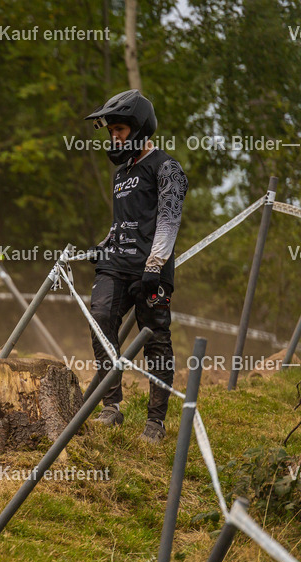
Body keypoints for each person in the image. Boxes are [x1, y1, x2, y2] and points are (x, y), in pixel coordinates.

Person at [84, 89, 188, 444]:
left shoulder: (166, 167)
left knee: (156, 341)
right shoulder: (119, 176)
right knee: (100, 321)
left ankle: (155, 422)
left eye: (120, 130)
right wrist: (100, 248)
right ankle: (111, 407)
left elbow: (169, 219)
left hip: (151, 269)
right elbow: (121, 223)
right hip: (116, 265)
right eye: (111, 131)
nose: (114, 137)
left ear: (139, 128)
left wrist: (155, 265)